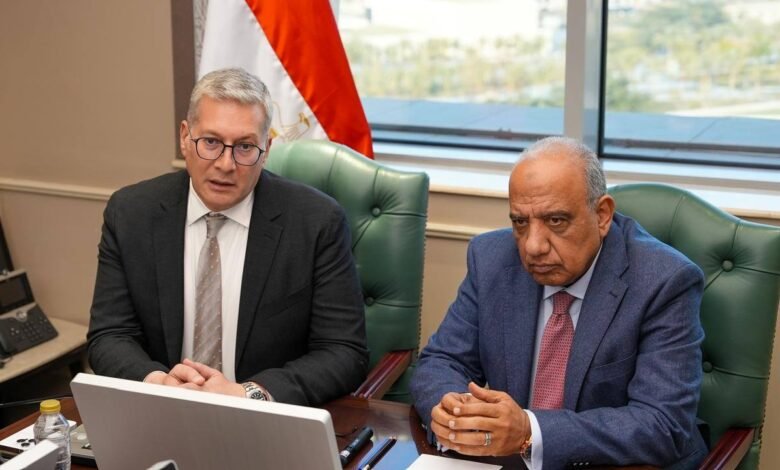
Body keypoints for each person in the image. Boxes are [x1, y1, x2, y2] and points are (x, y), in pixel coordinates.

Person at [410, 137, 707, 469]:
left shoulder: (664, 281)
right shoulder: (491, 258)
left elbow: (662, 423)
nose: (533, 246)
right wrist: (460, 414)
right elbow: (441, 362)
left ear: (602, 215)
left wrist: (530, 432)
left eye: (556, 221)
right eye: (520, 222)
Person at [87, 68, 368, 406]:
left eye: (245, 147)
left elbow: (343, 352)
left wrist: (247, 393)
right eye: (211, 142)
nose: (225, 164)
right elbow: (109, 335)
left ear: (267, 148)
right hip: (161, 409)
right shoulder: (132, 213)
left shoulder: (316, 222)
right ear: (184, 137)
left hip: (266, 419)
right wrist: (158, 383)